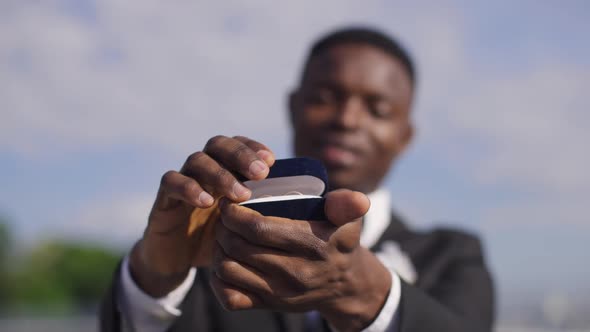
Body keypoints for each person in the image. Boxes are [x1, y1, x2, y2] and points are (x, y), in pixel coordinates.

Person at [100, 27, 494, 332]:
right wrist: (155, 278)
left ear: (404, 136)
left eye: (377, 109)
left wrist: (367, 295)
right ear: (293, 107)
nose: (347, 119)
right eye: (324, 97)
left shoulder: (454, 255)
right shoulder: (211, 239)